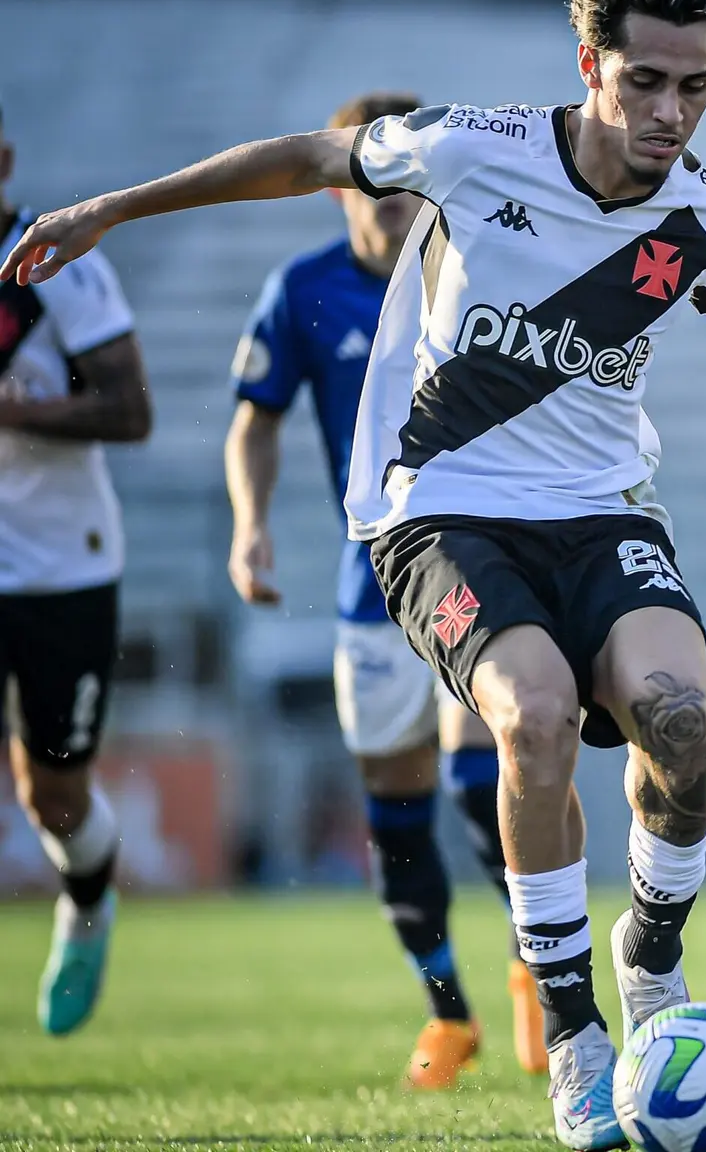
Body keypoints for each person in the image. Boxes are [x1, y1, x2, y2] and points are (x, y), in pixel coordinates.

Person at [5, 0, 706, 1145]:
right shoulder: (473, 148)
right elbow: (310, 159)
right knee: (529, 719)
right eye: (645, 82)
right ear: (591, 68)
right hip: (442, 510)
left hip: (605, 511)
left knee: (682, 724)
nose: (670, 113)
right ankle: (578, 1037)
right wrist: (113, 206)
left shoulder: (701, 215)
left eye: (696, 88)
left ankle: (650, 956)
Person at [224, 90, 546, 1087]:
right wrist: (250, 525)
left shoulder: (473, 275)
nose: (401, 202)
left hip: (471, 569)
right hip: (371, 587)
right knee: (394, 810)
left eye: (416, 182)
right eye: (381, 183)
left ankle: (541, 973)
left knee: (476, 774)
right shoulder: (302, 291)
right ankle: (448, 1015)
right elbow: (254, 419)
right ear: (342, 186)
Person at [0, 101, 153, 1035]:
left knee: (51, 793)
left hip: (63, 567)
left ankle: (89, 900)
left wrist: (16, 413)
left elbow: (130, 408)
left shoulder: (46, 265)